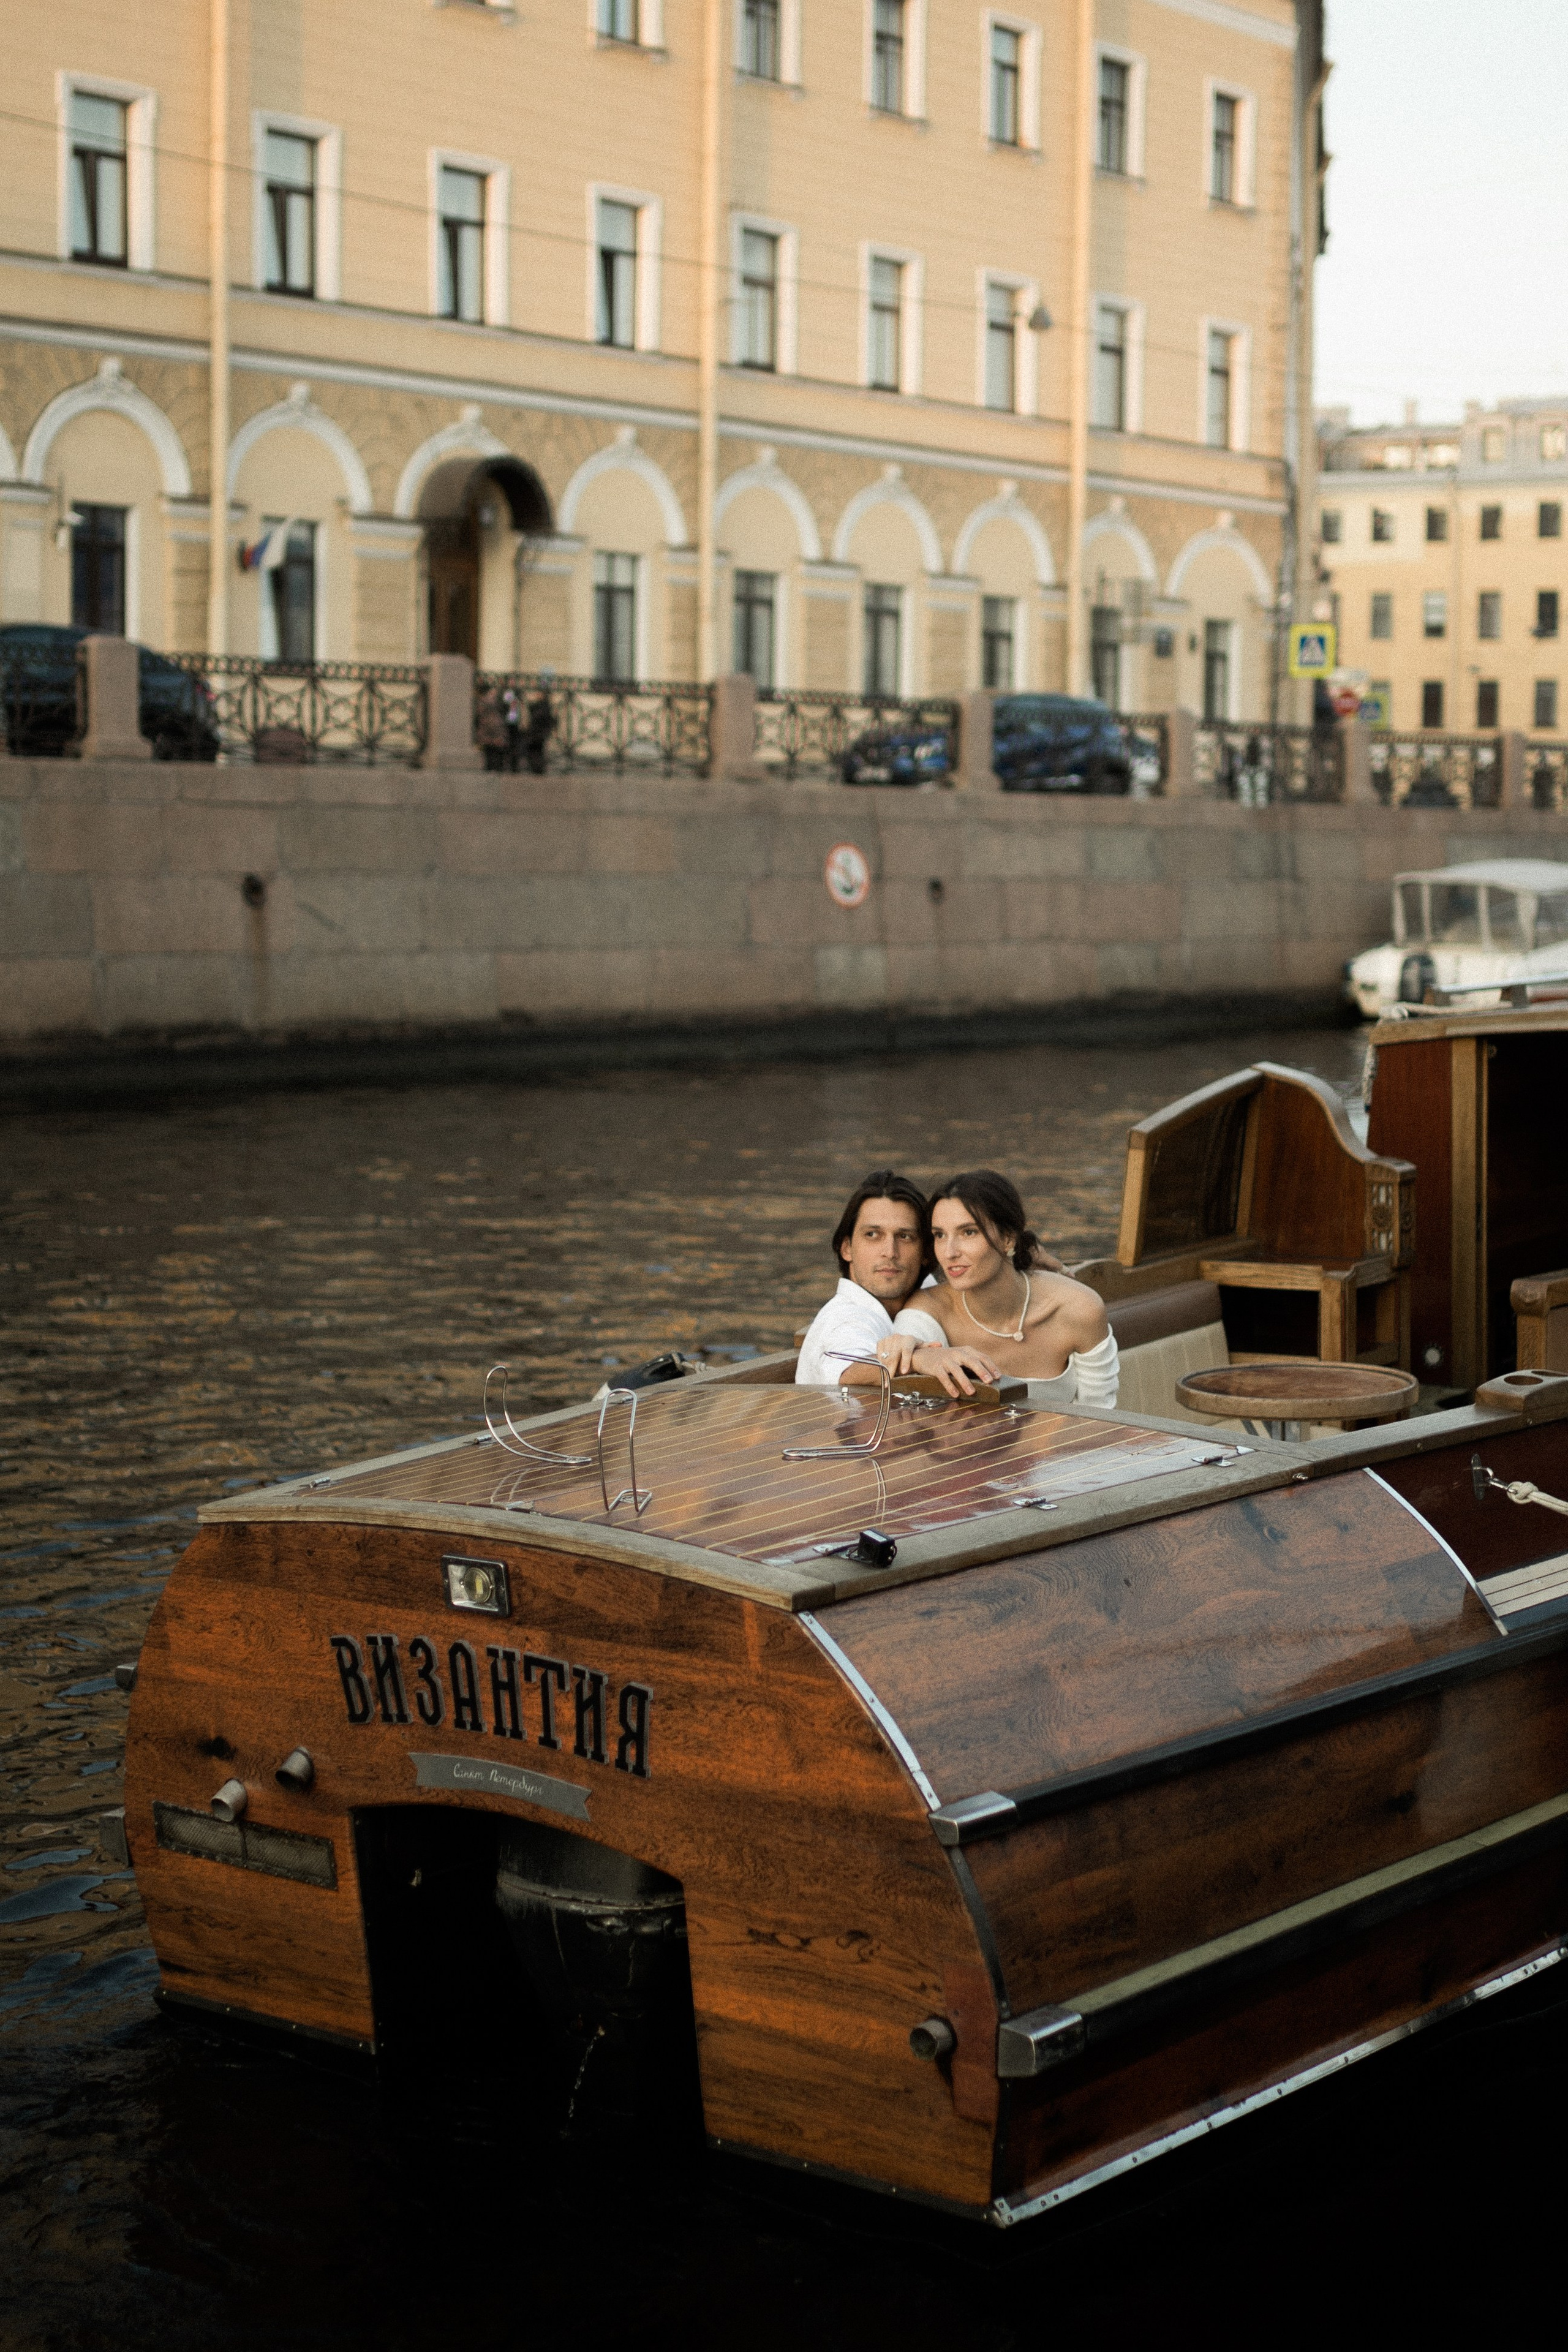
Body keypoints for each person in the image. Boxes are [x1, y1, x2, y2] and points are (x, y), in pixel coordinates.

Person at [881, 1169, 1118, 1407]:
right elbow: (899, 1381)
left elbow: (1102, 1416)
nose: (950, 1252)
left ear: (1008, 1239)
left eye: (969, 1232)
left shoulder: (1078, 1307)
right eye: (940, 1235)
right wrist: (915, 1357)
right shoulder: (929, 1311)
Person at [795, 1170, 998, 1396]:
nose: (890, 1252)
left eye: (905, 1237)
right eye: (873, 1235)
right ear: (847, 1248)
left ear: (925, 1252)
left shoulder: (924, 1293)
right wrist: (917, 1359)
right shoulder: (846, 1318)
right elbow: (847, 1370)